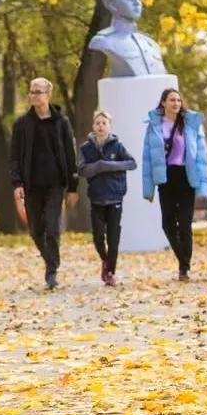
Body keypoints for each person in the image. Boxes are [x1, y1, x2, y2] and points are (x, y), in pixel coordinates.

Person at [9, 78, 79, 290]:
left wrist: (73, 187)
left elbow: (70, 155)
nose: (34, 95)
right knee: (35, 231)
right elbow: (14, 158)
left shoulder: (62, 123)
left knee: (51, 226)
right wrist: (17, 183)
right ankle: (50, 261)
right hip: (31, 185)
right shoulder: (22, 125)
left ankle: (52, 269)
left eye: (39, 92)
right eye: (32, 92)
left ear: (48, 95)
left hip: (55, 184)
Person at [142, 88, 207, 281]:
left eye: (179, 100)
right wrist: (148, 189)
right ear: (163, 103)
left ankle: (184, 267)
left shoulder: (191, 123)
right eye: (172, 100)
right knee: (168, 224)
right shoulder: (154, 125)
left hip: (186, 176)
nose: (176, 104)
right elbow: (147, 158)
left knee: (185, 223)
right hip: (166, 177)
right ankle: (183, 258)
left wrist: (202, 185)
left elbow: (201, 157)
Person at [78, 110, 137, 287]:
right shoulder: (85, 148)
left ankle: (111, 272)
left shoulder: (118, 146)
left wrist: (109, 165)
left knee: (113, 238)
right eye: (98, 123)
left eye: (104, 123)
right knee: (97, 237)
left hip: (115, 197)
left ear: (109, 126)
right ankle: (105, 260)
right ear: (93, 126)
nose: (101, 126)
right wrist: (97, 166)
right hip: (96, 198)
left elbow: (132, 163)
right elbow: (81, 170)